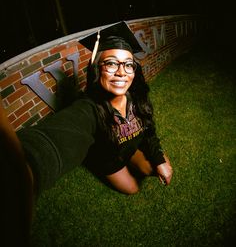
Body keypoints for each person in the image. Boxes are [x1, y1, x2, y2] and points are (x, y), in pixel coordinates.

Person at [0, 21, 173, 245]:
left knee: (159, 166)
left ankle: (137, 156)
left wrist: (158, 158)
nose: (121, 72)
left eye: (128, 65)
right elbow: (53, 140)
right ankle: (90, 155)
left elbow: (149, 129)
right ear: (97, 68)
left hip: (130, 147)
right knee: (132, 189)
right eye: (111, 63)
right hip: (110, 160)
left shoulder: (137, 96)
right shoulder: (89, 109)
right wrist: (25, 165)